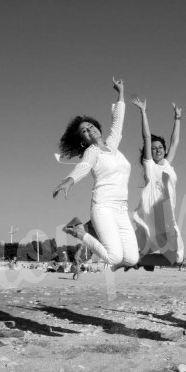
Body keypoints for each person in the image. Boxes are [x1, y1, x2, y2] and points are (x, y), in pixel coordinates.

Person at [52, 77, 139, 271]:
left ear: (97, 127)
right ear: (83, 140)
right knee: (114, 257)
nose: (89, 130)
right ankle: (79, 232)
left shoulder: (112, 145)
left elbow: (118, 121)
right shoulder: (92, 152)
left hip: (122, 208)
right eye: (84, 131)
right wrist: (69, 181)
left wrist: (121, 93)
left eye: (90, 126)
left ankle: (85, 232)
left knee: (132, 259)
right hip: (103, 206)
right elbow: (83, 166)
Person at [131, 97, 185, 269]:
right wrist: (143, 112)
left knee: (175, 258)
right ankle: (139, 260)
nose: (157, 150)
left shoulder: (167, 163)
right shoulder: (150, 166)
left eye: (160, 147)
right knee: (176, 259)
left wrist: (177, 119)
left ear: (164, 149)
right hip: (156, 213)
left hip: (167, 213)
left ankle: (142, 260)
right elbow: (146, 137)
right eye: (153, 148)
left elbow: (175, 141)